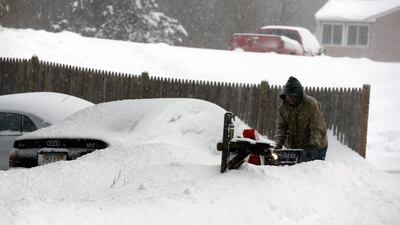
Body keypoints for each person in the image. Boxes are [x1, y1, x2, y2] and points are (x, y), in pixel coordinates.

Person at [274, 76, 328, 161]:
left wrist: (314, 145)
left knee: (314, 171)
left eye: (294, 96)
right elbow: (281, 127)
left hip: (317, 146)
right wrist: (278, 144)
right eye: (289, 96)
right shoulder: (283, 107)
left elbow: (317, 127)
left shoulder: (311, 104)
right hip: (296, 147)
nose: (291, 99)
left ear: (299, 95)